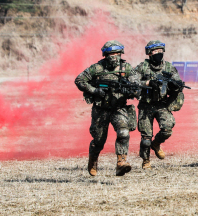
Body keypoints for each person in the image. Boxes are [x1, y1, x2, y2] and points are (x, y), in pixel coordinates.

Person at [75, 40, 140, 176]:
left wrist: (132, 90)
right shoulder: (97, 68)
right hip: (101, 109)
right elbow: (79, 80)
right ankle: (93, 161)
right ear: (105, 55)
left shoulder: (126, 68)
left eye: (117, 53)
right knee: (99, 141)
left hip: (119, 108)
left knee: (123, 133)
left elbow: (136, 84)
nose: (114, 56)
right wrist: (95, 90)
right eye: (111, 53)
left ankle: (121, 163)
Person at [133, 40, 184, 170]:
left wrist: (175, 86)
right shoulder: (142, 67)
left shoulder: (168, 67)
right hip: (146, 105)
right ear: (149, 53)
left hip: (162, 104)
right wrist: (148, 83)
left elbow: (178, 82)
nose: (158, 54)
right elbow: (132, 81)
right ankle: (146, 161)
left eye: (160, 51)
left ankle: (156, 144)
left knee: (167, 129)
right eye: (155, 51)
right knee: (145, 138)